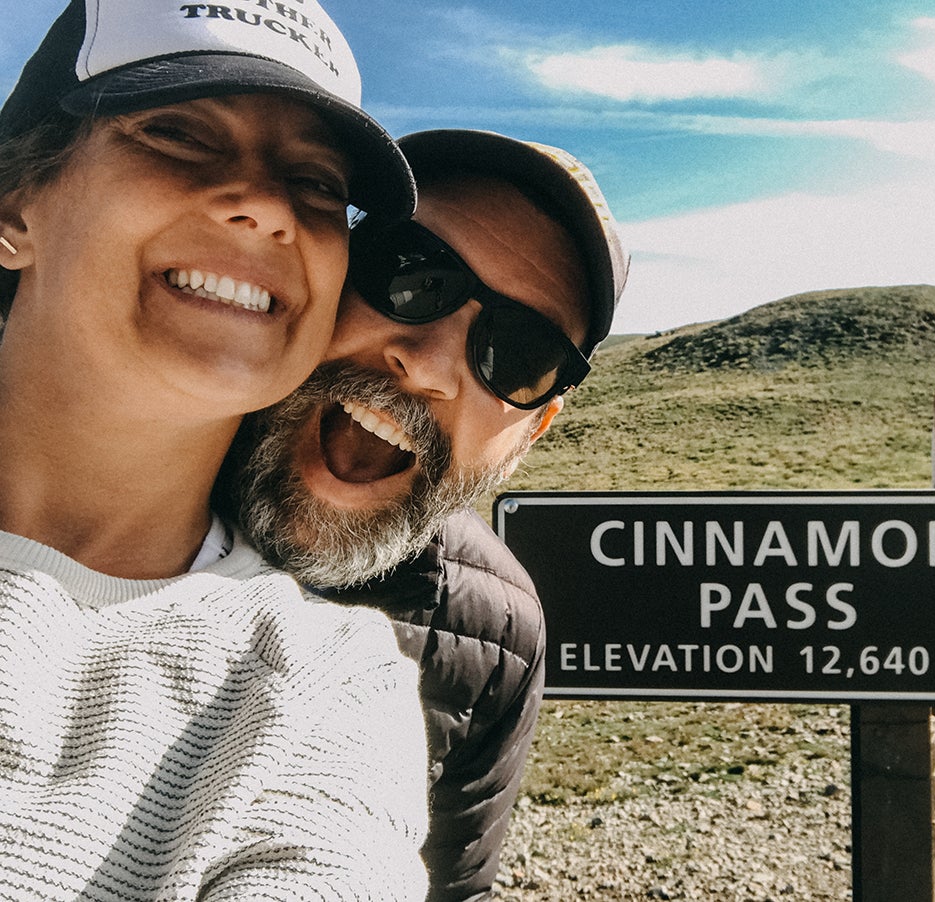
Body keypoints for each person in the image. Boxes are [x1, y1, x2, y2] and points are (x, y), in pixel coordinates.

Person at [0, 1, 429, 898]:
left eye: (317, 184)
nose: (268, 207)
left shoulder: (321, 687)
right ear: (14, 205)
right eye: (179, 134)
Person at [219, 129, 629, 900]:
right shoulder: (107, 465)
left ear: (530, 432)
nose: (431, 363)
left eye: (518, 352)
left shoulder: (497, 635)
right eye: (409, 274)